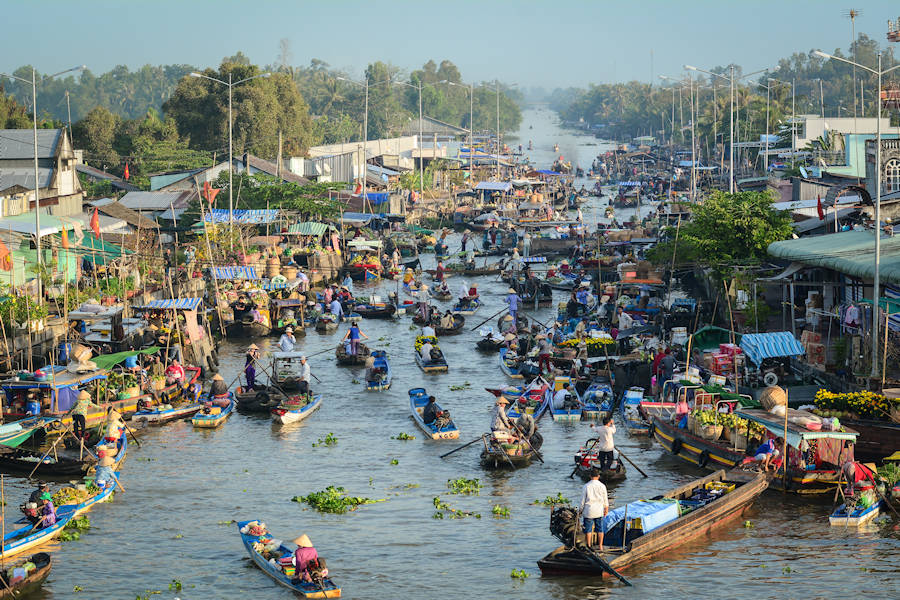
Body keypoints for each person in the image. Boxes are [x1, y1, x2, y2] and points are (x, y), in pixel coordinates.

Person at [578, 468, 609, 549]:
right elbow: (605, 499)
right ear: (598, 476)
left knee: (588, 530)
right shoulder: (602, 486)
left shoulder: (586, 486)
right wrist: (606, 509)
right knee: (600, 529)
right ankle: (601, 546)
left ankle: (588, 545)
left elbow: (582, 501)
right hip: (599, 511)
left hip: (588, 511)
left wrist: (580, 511)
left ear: (590, 476)